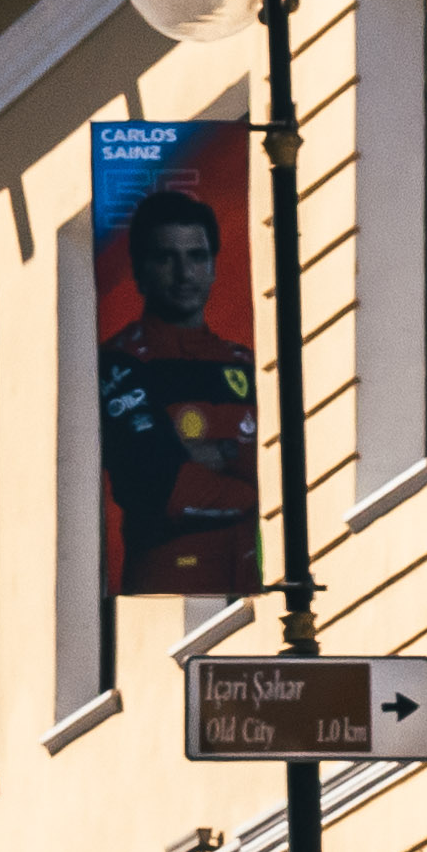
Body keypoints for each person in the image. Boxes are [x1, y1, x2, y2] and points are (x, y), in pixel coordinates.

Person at [100, 187, 260, 591]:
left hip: (252, 572)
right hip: (168, 579)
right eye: (166, 258)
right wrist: (254, 487)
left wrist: (208, 456)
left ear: (213, 267)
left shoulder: (244, 362)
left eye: (196, 256)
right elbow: (163, 488)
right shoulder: (118, 363)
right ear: (139, 271)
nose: (184, 273)